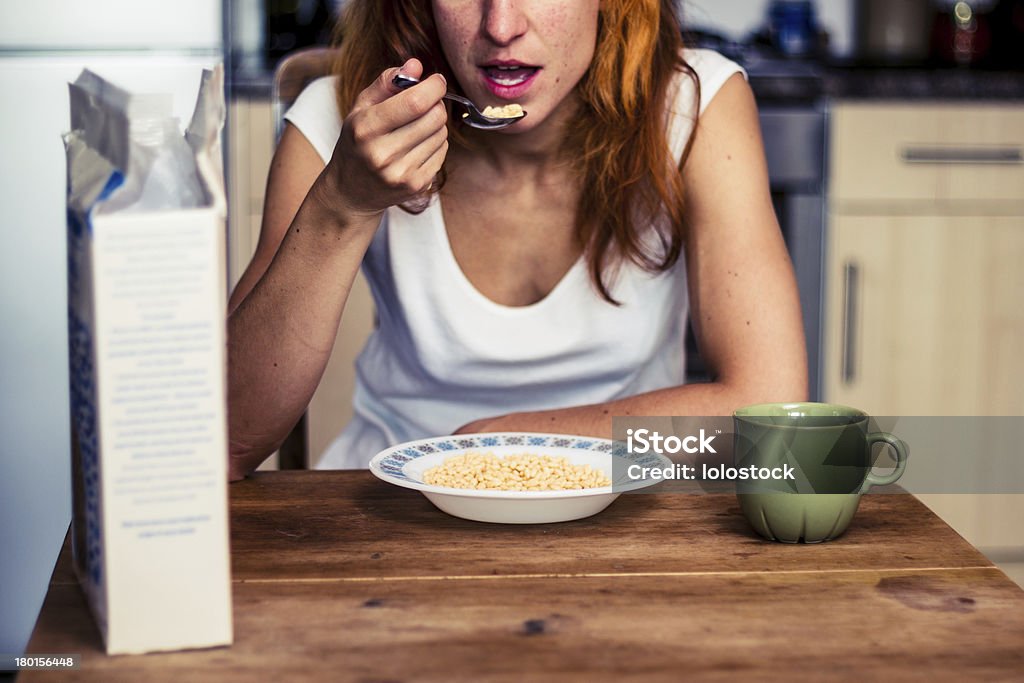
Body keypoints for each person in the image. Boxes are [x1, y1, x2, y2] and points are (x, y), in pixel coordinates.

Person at [226, 0, 808, 478]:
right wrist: (341, 205)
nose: (501, 26)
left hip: (626, 503)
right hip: (393, 513)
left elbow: (770, 416)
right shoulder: (341, 119)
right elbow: (228, 441)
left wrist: (510, 443)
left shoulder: (694, 103)